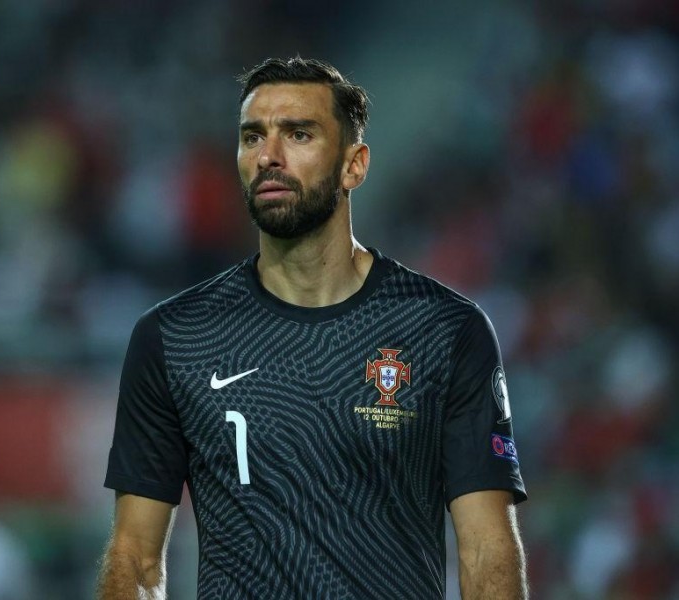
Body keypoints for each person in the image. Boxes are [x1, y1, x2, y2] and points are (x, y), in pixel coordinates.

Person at [98, 57, 528, 599]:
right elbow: (134, 559)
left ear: (355, 165)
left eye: (298, 134)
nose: (268, 156)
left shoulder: (444, 329)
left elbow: (486, 549)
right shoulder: (174, 335)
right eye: (252, 137)